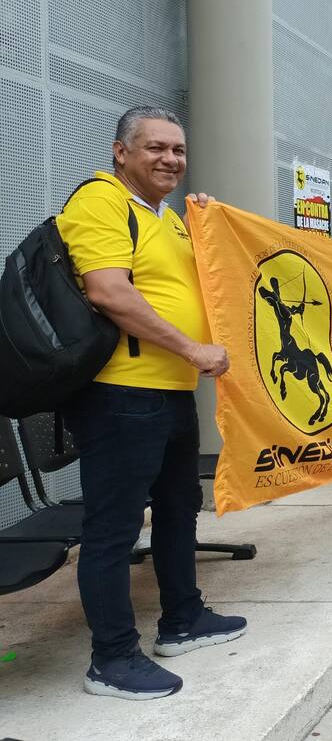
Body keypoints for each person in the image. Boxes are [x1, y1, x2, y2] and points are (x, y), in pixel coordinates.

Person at [57, 106, 244, 700]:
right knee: (113, 530)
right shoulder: (101, 200)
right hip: (121, 393)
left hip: (171, 393)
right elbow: (109, 292)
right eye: (156, 148)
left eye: (178, 150)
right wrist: (191, 348)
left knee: (178, 510)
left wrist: (208, 225)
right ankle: (111, 660)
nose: (170, 159)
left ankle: (182, 619)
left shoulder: (166, 217)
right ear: (121, 152)